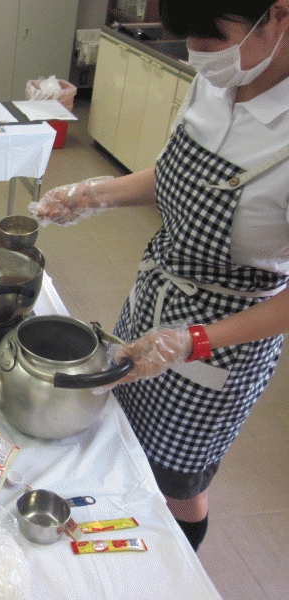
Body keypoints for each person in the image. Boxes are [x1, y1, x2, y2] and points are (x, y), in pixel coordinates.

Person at [31, 0, 289, 551]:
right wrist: (92, 194)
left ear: (279, 16)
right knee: (122, 431)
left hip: (223, 342)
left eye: (210, 40)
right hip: (155, 303)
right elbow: (179, 176)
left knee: (177, 480)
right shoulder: (218, 81)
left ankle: (176, 565)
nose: (196, 55)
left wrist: (190, 341)